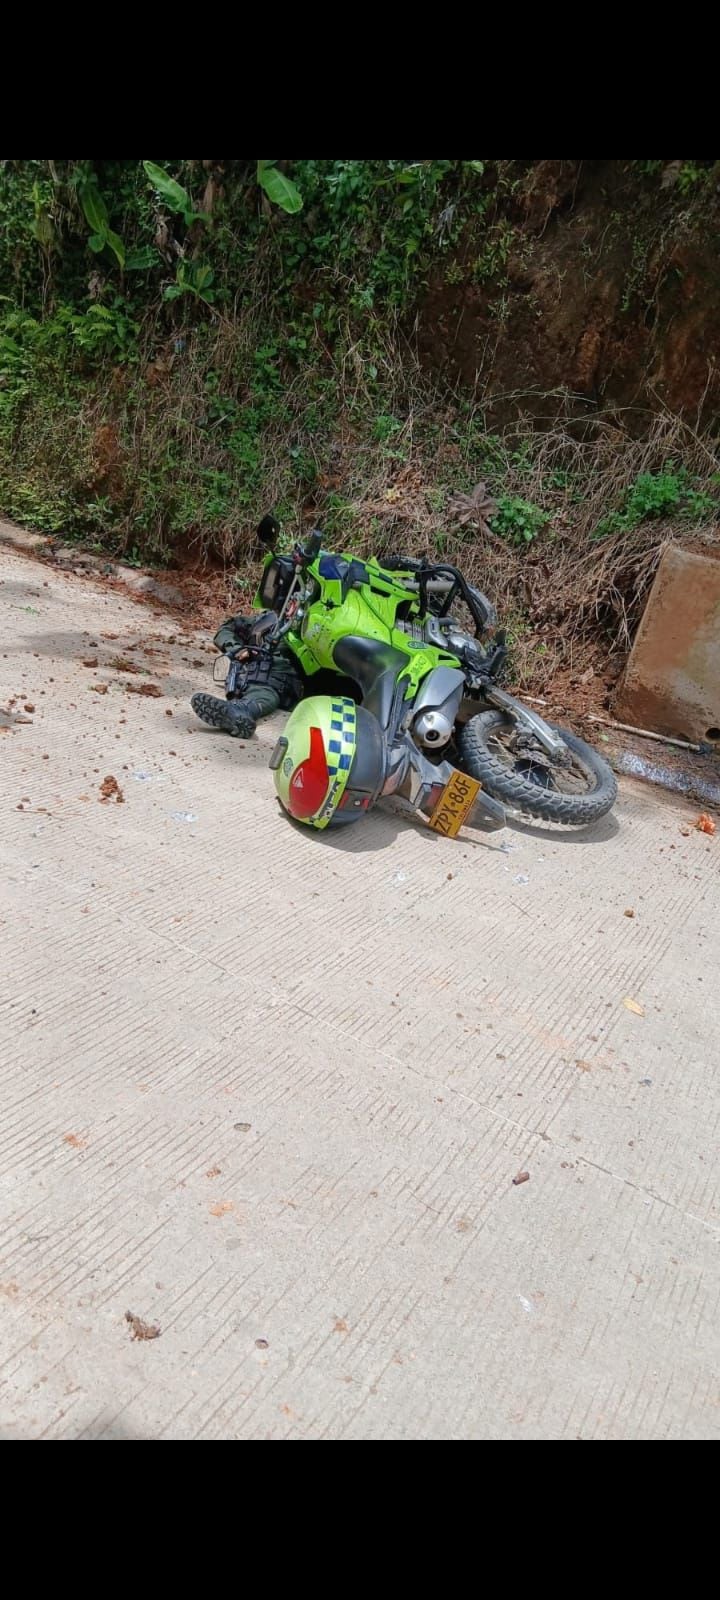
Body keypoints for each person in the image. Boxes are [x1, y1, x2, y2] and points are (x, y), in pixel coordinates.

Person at [191, 610, 305, 739]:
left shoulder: (310, 630)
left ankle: (241, 709)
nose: (292, 609)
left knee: (266, 693)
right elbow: (226, 629)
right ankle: (237, 708)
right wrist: (237, 649)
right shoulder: (267, 620)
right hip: (247, 674)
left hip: (278, 681)